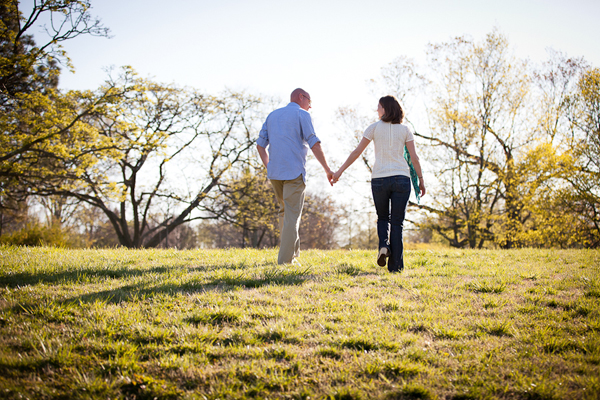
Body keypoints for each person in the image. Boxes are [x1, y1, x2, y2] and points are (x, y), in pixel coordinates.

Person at [333, 95, 426, 272]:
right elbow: (414, 157)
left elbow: (357, 152)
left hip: (379, 179)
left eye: (378, 107)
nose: (376, 110)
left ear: (385, 108)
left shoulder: (373, 128)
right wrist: (420, 180)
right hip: (401, 178)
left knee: (383, 218)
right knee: (397, 223)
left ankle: (384, 245)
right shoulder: (405, 130)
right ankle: (396, 268)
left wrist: (339, 172)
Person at [257, 88, 334, 265]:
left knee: (285, 212)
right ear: (301, 97)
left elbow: (260, 146)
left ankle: (294, 254)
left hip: (275, 174)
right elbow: (314, 143)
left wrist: (269, 166)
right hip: (293, 172)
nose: (310, 106)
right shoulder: (302, 115)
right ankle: (285, 262)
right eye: (310, 101)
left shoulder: (272, 115)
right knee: (292, 215)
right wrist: (327, 169)